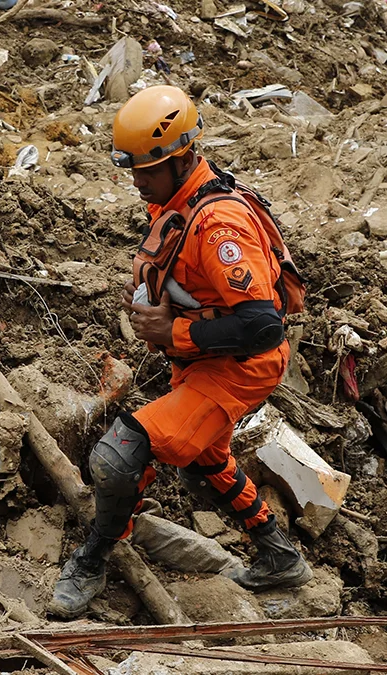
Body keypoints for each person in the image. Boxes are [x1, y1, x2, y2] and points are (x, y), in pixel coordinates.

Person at [49, 85, 312, 619]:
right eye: (133, 169)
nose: (137, 181)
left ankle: (92, 560)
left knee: (119, 454)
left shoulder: (219, 227)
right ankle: (280, 557)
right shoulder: (178, 200)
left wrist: (175, 332)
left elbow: (262, 326)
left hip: (239, 367)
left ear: (184, 157)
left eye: (147, 170)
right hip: (205, 362)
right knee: (204, 462)